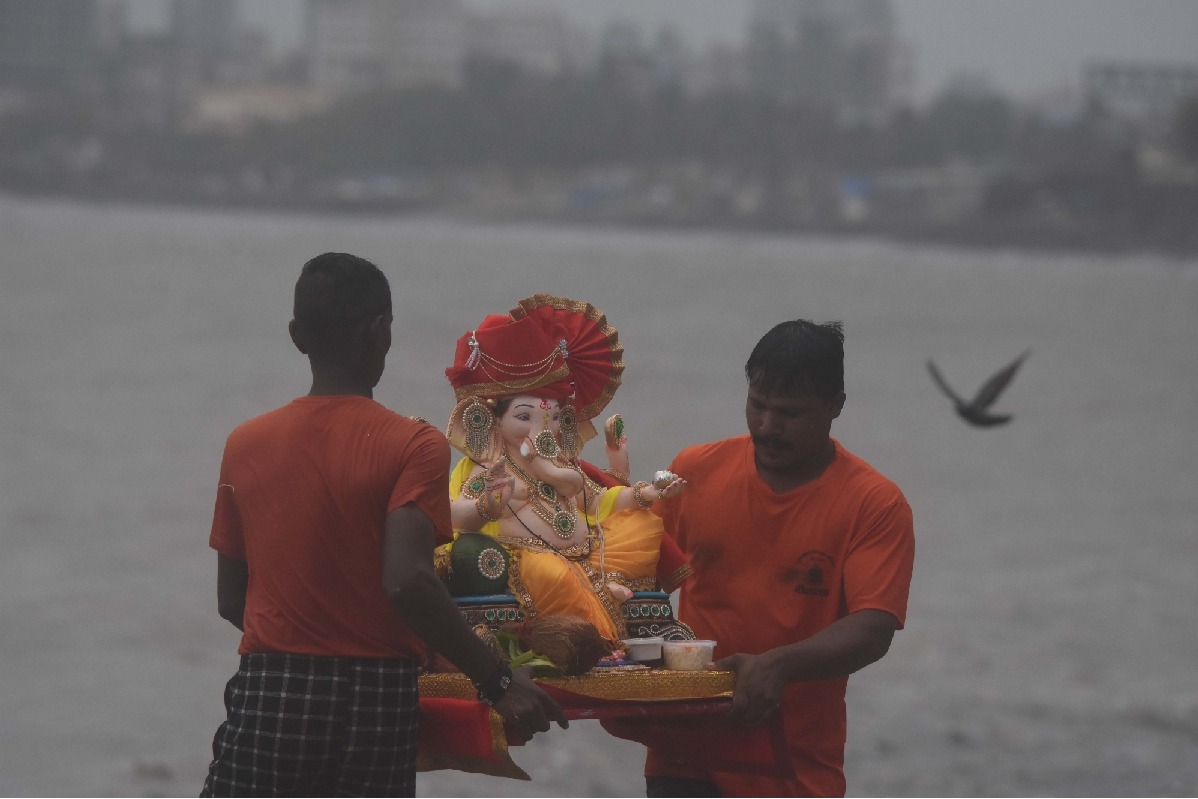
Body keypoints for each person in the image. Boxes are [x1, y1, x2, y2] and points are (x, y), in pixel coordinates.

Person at [200, 253, 566, 797]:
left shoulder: (245, 443)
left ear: (297, 336)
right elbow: (407, 580)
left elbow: (233, 600)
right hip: (373, 698)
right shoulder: (411, 445)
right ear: (381, 331)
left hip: (271, 688)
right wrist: (497, 679)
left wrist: (301, 650)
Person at [644, 320, 915, 797]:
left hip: (795, 769)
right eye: (758, 405)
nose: (767, 427)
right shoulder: (694, 472)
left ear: (835, 405)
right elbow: (638, 579)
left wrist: (780, 665)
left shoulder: (874, 503)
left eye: (790, 413)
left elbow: (873, 627)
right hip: (684, 753)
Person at [441, 294, 689, 643]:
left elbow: (597, 501)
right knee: (554, 575)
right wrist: (486, 506)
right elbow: (456, 516)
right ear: (492, 418)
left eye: (554, 418)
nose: (541, 430)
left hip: (584, 550)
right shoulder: (492, 467)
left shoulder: (561, 462)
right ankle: (598, 593)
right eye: (524, 417)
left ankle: (598, 582)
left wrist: (647, 493)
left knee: (641, 526)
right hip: (533, 560)